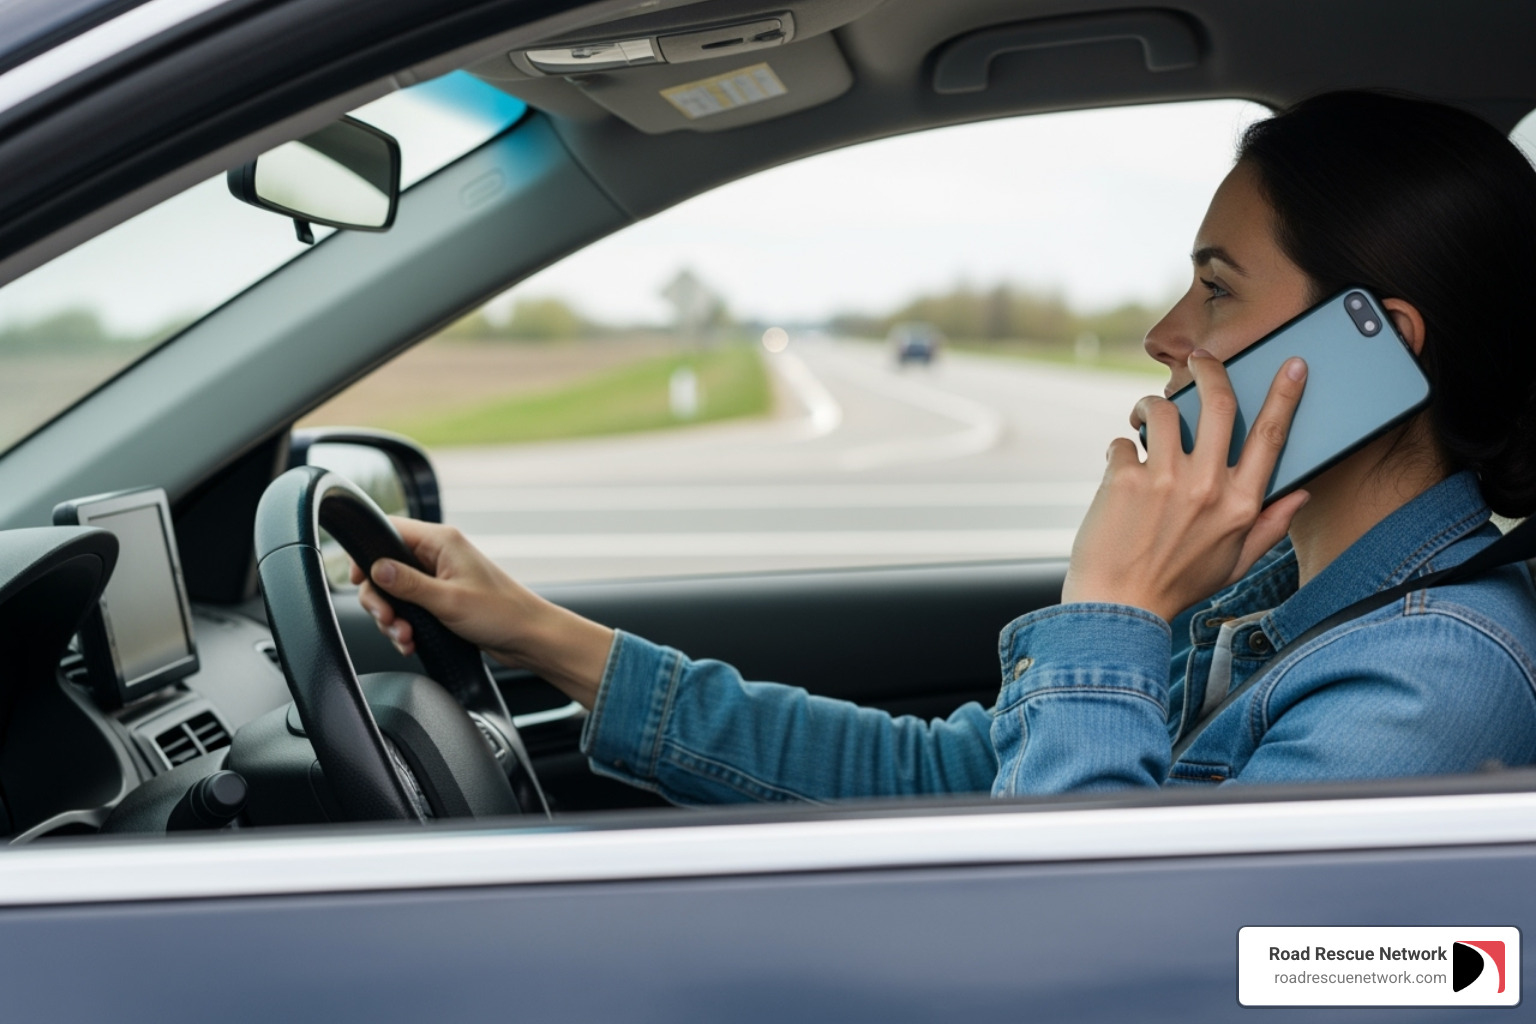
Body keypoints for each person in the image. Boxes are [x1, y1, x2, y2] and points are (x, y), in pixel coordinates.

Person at [354, 91, 1536, 802]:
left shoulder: (1436, 681)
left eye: (1216, 289)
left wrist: (1114, 610)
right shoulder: (1278, 593)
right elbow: (949, 782)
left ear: (1378, 349)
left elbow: (1115, 968)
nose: (1164, 334)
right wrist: (539, 632)